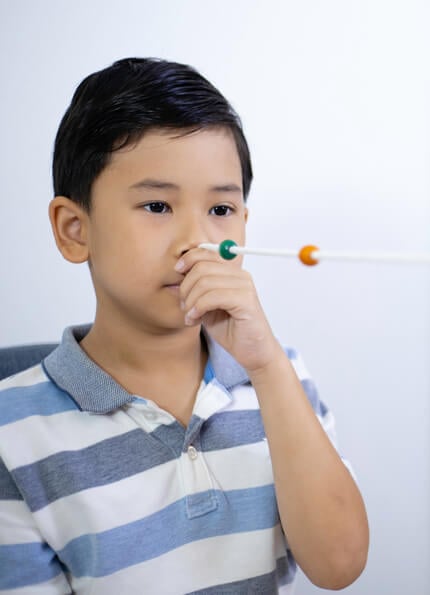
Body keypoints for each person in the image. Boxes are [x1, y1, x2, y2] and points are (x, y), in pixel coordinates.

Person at [0, 58, 368, 593]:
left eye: (221, 209)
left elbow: (340, 565)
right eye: (157, 205)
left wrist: (266, 369)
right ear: (75, 230)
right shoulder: (13, 434)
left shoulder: (280, 379)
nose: (197, 241)